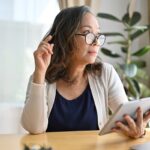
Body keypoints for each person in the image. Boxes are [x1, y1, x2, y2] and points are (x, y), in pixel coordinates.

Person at [21, 5, 150, 138]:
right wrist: (40, 73)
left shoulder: (105, 73)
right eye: (88, 33)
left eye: (98, 34)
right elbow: (34, 128)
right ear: (67, 37)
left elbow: (128, 120)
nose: (96, 42)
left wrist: (138, 130)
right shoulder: (40, 78)